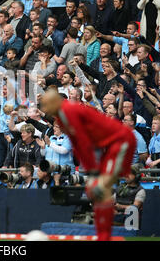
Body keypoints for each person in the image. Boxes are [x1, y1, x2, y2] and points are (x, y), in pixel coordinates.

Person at [39, 89, 136, 241]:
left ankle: (104, 236)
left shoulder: (68, 111)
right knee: (98, 191)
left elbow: (83, 141)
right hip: (109, 146)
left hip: (120, 141)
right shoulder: (62, 115)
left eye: (45, 104)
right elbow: (78, 143)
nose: (44, 109)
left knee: (100, 187)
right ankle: (102, 234)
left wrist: (92, 170)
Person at [113, 164, 146, 229]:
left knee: (132, 210)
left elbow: (135, 207)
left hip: (129, 217)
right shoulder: (120, 187)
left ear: (137, 176)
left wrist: (120, 207)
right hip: (117, 214)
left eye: (130, 174)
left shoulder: (140, 190)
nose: (126, 176)